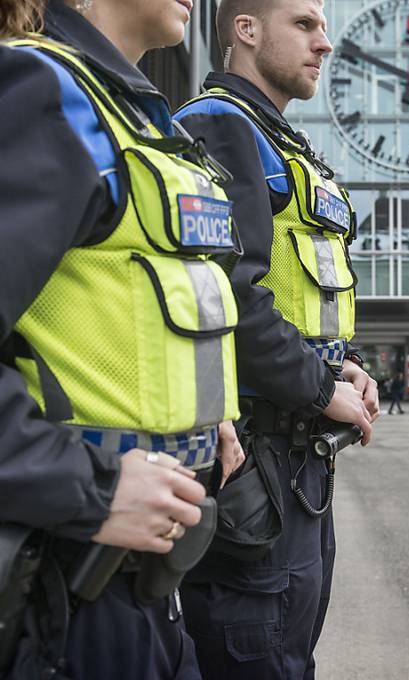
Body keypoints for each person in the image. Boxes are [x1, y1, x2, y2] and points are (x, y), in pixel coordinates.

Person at [0, 1, 245, 678]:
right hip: (69, 578)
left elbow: (117, 298)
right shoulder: (40, 93)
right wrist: (92, 487)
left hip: (143, 574)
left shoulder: (130, 113)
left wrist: (201, 416)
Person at [172, 1, 379, 678]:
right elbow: (229, 292)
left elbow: (294, 289)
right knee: (256, 657)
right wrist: (321, 388)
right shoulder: (218, 127)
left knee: (287, 655)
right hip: (256, 463)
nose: (325, 43)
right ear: (246, 29)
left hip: (295, 463)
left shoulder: (278, 140)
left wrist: (343, 366)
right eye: (305, 24)